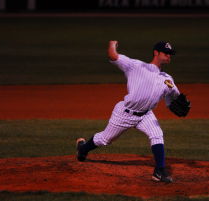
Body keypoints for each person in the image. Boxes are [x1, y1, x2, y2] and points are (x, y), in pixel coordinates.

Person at [76, 40, 183, 183]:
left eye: (170, 54)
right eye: (166, 53)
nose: (169, 56)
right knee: (105, 139)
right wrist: (112, 44)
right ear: (156, 52)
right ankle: (83, 149)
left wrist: (176, 104)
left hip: (145, 114)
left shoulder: (167, 79)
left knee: (157, 134)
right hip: (125, 113)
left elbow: (174, 99)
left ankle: (159, 172)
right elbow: (113, 56)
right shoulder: (135, 66)